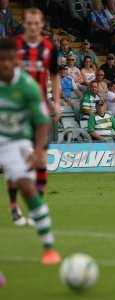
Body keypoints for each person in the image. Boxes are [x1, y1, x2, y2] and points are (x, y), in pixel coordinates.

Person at [0, 37, 60, 265]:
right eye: (1, 60)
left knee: (26, 186)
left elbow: (42, 120)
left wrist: (37, 151)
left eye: (9, 59)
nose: (5, 64)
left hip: (15, 141)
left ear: (16, 61)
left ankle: (48, 247)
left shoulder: (27, 86)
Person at [10, 8, 61, 226]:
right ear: (25, 24)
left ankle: (37, 204)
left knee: (41, 159)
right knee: (17, 163)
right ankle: (14, 207)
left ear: (41, 24)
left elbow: (55, 76)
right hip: (17, 110)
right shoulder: (14, 46)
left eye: (36, 23)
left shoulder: (50, 48)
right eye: (29, 23)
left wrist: (56, 102)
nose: (32, 26)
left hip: (39, 110)